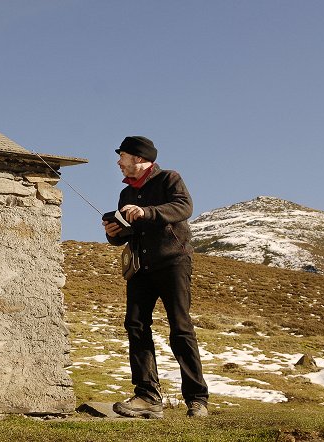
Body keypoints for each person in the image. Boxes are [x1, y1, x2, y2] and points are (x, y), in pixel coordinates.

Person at [103, 136, 209, 419]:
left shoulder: (169, 179)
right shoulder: (126, 194)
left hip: (174, 262)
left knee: (180, 326)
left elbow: (183, 207)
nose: (118, 162)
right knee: (136, 326)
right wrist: (114, 233)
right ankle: (147, 396)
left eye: (122, 156)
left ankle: (197, 400)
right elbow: (131, 229)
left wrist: (147, 212)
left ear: (139, 158)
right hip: (141, 267)